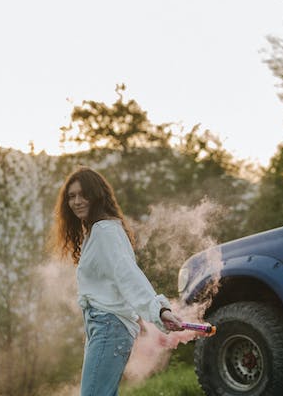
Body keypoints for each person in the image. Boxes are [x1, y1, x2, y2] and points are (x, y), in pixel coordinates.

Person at [50, 166, 183, 396]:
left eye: (83, 194)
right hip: (103, 325)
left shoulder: (105, 232)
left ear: (97, 195)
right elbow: (115, 281)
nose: (77, 201)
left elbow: (128, 275)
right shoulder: (95, 231)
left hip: (109, 326)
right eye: (71, 196)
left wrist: (159, 310)